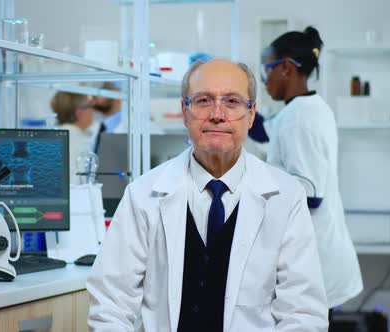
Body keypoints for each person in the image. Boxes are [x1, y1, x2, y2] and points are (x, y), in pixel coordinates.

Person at [87, 59, 328, 331]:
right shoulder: (143, 195)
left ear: (251, 115)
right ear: (185, 111)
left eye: (232, 102)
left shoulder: (285, 198)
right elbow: (110, 306)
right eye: (203, 100)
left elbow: (303, 314)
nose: (217, 113)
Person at [257, 26, 363, 309]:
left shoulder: (299, 117)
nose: (264, 79)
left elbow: (310, 193)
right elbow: (265, 133)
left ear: (287, 69)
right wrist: (234, 103)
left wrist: (253, 196)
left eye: (266, 70)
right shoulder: (306, 108)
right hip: (319, 255)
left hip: (314, 258)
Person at [50, 91, 97, 184]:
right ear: (79, 113)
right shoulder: (77, 141)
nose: (93, 111)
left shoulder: (57, 135)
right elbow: (78, 182)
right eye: (91, 106)